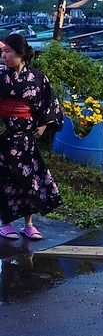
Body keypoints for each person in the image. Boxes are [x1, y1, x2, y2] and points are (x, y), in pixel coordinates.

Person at [0, 34, 63, 241]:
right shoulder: (0, 75)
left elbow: (48, 102)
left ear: (20, 53)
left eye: (7, 51)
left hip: (26, 138)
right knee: (6, 180)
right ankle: (5, 223)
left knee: (29, 180)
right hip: (3, 137)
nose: (4, 56)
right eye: (3, 51)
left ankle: (28, 224)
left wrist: (44, 124)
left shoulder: (37, 77)